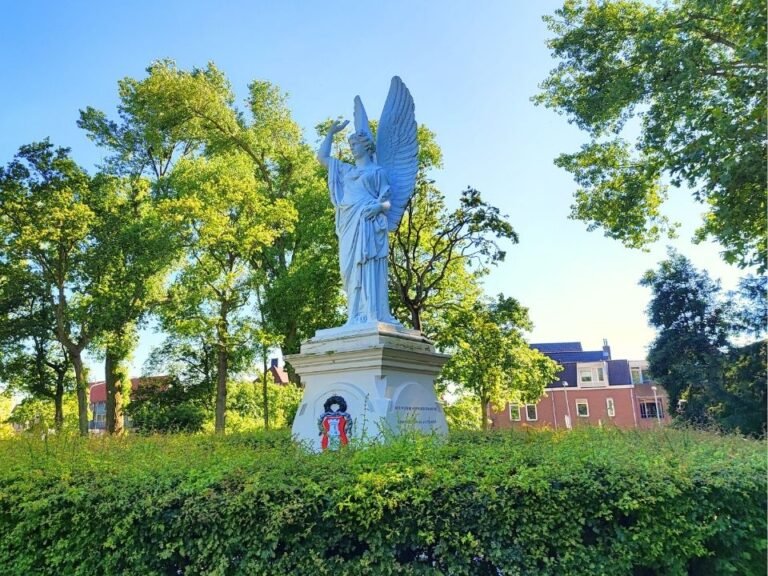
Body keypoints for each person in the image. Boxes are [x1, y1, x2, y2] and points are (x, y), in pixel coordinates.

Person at [317, 120, 399, 325]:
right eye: (350, 145)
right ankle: (353, 314)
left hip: (367, 224)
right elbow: (322, 158)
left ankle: (369, 312)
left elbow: (388, 201)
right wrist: (330, 133)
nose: (351, 148)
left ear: (366, 145)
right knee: (348, 269)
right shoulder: (346, 170)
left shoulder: (377, 172)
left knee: (366, 266)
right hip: (348, 224)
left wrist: (379, 207)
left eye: (355, 144)